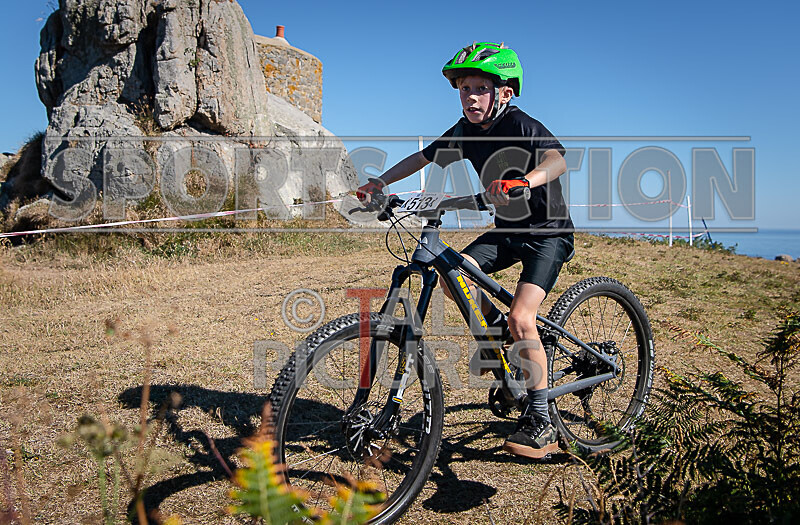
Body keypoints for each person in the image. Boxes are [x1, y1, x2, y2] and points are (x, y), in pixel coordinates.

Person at [357, 42, 574, 459]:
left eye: (480, 88)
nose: (470, 96)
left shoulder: (521, 124)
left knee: (522, 317)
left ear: (504, 92)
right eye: (464, 88)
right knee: (455, 273)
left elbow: (557, 159)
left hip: (548, 233)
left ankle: (541, 421)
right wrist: (380, 183)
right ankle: (494, 332)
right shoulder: (463, 129)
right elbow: (422, 158)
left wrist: (526, 180)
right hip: (508, 230)